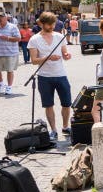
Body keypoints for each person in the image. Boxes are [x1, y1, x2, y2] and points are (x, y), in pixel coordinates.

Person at [27, 12, 72, 140]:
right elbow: (34, 60)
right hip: (44, 77)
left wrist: (67, 56)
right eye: (49, 24)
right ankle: (53, 130)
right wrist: (48, 58)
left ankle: (65, 126)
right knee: (48, 105)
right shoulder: (34, 39)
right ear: (41, 23)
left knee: (66, 103)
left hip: (61, 74)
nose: (52, 26)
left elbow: (65, 54)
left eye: (53, 24)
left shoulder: (59, 36)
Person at [0, 11, 21, 95]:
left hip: (10, 53)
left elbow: (18, 38)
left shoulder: (12, 27)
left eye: (1, 17)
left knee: (9, 70)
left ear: (6, 18)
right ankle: (1, 83)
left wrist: (7, 38)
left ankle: (9, 87)